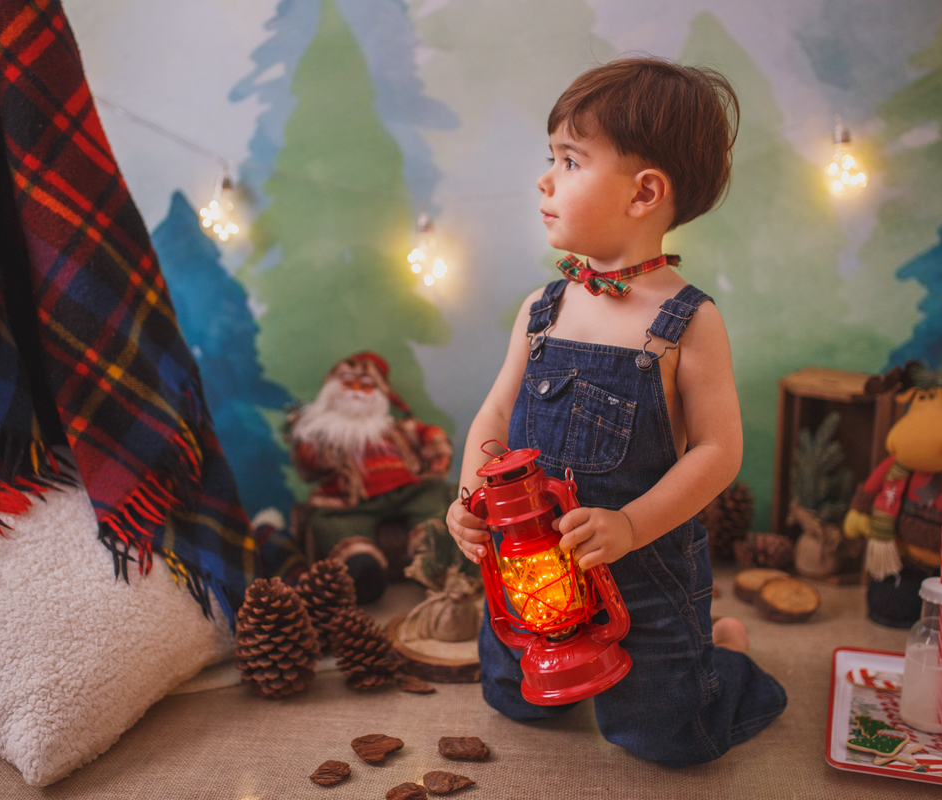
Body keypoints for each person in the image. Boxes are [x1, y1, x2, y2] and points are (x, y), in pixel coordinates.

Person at [445, 57, 787, 766]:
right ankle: (671, 656)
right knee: (514, 701)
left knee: (668, 739)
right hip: (534, 573)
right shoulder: (542, 309)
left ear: (644, 194)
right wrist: (470, 494)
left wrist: (631, 526)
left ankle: (721, 660)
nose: (544, 179)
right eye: (551, 157)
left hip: (645, 570)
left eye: (569, 160)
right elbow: (497, 411)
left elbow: (718, 452)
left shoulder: (687, 321)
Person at [288, 351, 454, 602]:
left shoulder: (392, 428)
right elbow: (309, 466)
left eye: (365, 386)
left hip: (409, 488)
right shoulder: (323, 434)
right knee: (330, 522)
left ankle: (434, 556)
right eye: (348, 384)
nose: (355, 391)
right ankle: (361, 568)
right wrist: (310, 449)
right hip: (351, 500)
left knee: (435, 501)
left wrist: (436, 447)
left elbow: (426, 432)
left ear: (378, 394)